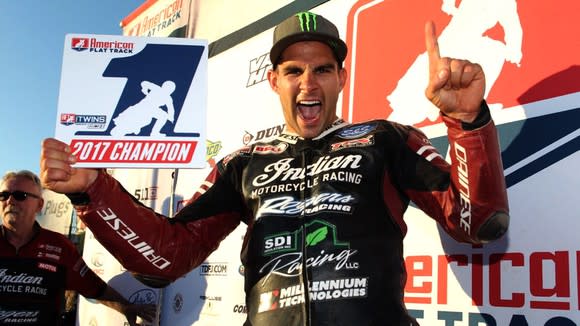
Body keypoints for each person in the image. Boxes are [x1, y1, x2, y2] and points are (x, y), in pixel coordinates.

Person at [40, 11, 509, 326]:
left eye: (323, 70)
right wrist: (92, 192)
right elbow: (166, 259)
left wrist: (468, 124)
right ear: (274, 80)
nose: (308, 83)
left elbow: (479, 223)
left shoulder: (385, 140)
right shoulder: (242, 162)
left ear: (341, 77)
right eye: (293, 71)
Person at [0, 170, 156, 325]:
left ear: (39, 205)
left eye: (20, 196)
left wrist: (126, 307)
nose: (10, 201)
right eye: (4, 195)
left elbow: (94, 288)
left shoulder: (59, 246)